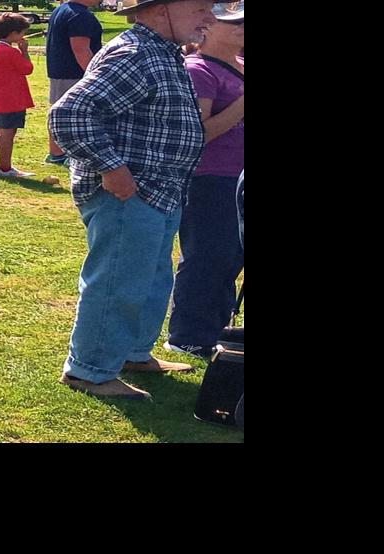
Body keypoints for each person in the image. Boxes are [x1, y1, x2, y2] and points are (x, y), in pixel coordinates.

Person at [49, 0, 215, 399]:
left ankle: (132, 353)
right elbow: (69, 113)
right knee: (117, 282)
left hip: (156, 191)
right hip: (126, 192)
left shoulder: (161, 51)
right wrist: (111, 167)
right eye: (200, 9)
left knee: (152, 278)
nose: (209, 18)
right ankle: (89, 371)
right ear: (161, 11)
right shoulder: (135, 54)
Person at [165, 2, 244, 357]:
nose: (242, 27)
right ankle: (188, 336)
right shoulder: (198, 70)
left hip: (237, 179)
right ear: (208, 27)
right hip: (211, 178)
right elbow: (199, 134)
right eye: (234, 23)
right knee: (207, 256)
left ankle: (217, 329)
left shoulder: (239, 67)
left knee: (231, 257)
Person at [44, 0, 101, 165]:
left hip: (60, 71)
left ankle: (56, 153)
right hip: (74, 73)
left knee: (58, 112)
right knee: (72, 115)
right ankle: (64, 155)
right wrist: (94, 75)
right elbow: (81, 49)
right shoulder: (79, 15)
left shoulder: (62, 10)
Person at [0, 12, 35, 178]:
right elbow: (27, 69)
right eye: (21, 33)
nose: (23, 36)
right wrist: (24, 51)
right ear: (13, 34)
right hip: (11, 100)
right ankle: (6, 168)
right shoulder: (11, 53)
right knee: (7, 133)